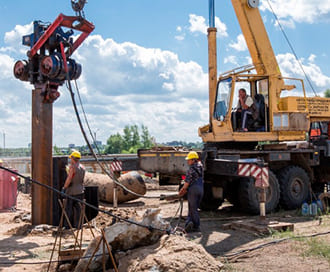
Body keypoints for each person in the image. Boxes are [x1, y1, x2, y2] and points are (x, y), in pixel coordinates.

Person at [179, 151, 204, 233]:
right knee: (193, 207)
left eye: (189, 160)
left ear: (193, 160)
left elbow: (187, 183)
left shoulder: (191, 170)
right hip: (201, 189)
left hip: (193, 190)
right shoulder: (200, 167)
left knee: (193, 209)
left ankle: (197, 226)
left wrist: (182, 191)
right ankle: (189, 224)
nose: (187, 161)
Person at [62, 150, 85, 229]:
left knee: (69, 209)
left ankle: (68, 226)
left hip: (72, 191)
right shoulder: (82, 167)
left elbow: (69, 179)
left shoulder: (73, 167)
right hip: (80, 190)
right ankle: (79, 225)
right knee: (79, 210)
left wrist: (64, 188)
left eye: (71, 158)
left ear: (73, 158)